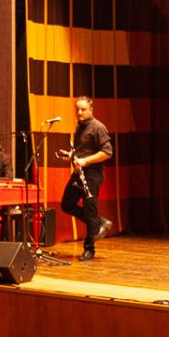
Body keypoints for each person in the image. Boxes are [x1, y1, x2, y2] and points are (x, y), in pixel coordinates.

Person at [62, 95, 113, 261]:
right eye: (77, 109)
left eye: (83, 109)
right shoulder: (80, 126)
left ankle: (89, 249)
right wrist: (71, 155)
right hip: (80, 173)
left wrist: (85, 161)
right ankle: (99, 222)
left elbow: (107, 152)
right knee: (67, 204)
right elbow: (82, 150)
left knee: (90, 210)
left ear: (91, 109)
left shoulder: (98, 127)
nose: (79, 112)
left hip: (92, 174)